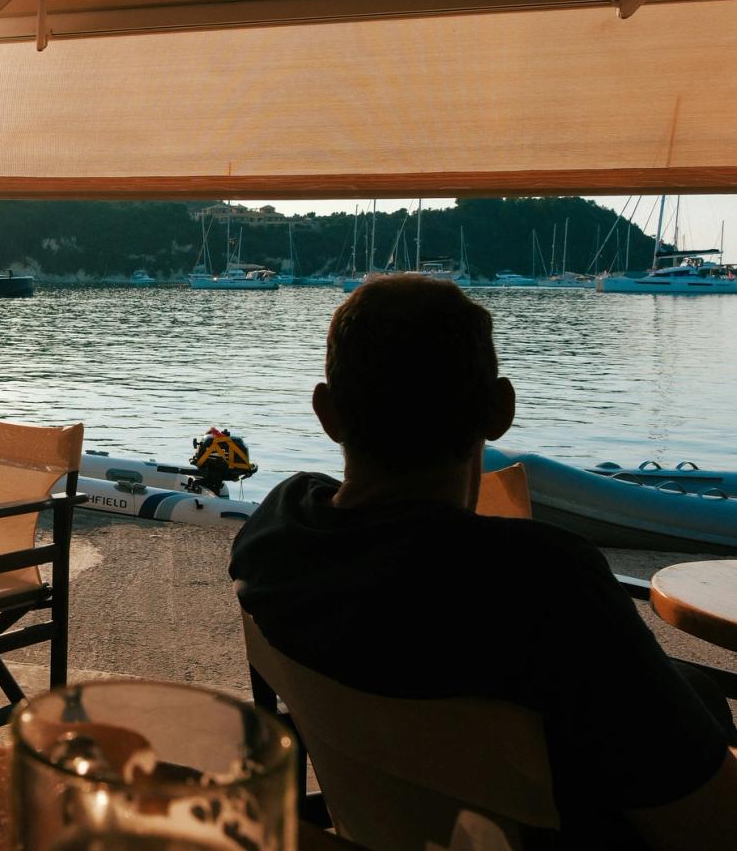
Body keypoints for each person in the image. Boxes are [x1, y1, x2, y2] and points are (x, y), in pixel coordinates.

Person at [229, 276, 737, 850]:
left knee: (692, 688)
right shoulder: (548, 587)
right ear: (500, 409)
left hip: (391, 824)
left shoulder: (275, 531)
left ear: (326, 412)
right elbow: (717, 828)